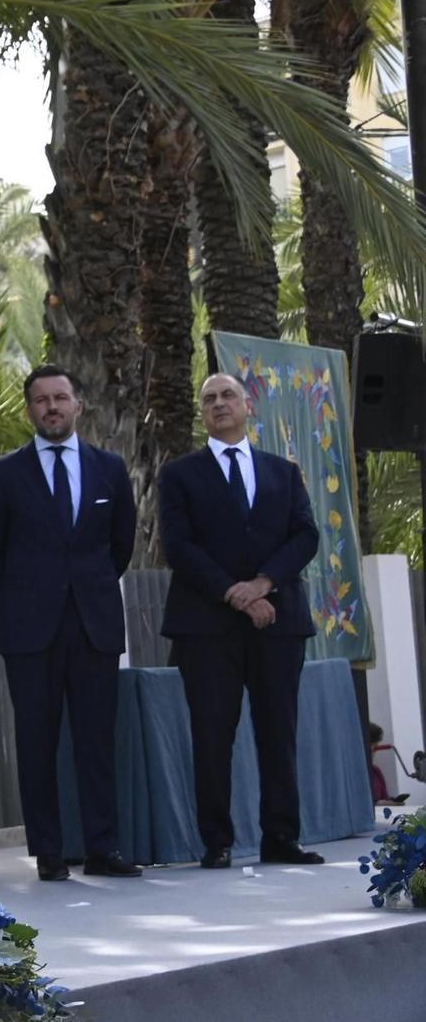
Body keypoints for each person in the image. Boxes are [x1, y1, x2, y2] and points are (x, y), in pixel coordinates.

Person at [0, 366, 140, 882]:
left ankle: (102, 848)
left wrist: (81, 591)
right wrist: (33, 595)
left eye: (61, 397)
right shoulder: (3, 474)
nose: (52, 407)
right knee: (36, 743)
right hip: (30, 631)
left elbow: (121, 546)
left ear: (78, 406)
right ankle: (48, 853)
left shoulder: (110, 469)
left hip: (94, 626)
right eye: (41, 400)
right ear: (30, 410)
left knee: (96, 743)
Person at [158, 372, 322, 868]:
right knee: (212, 735)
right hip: (206, 627)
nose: (219, 403)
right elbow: (179, 546)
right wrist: (236, 593)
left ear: (248, 405)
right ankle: (217, 841)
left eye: (228, 395)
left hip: (278, 622)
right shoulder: (180, 474)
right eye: (208, 398)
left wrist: (263, 584)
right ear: (202, 414)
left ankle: (281, 839)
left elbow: (305, 536)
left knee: (278, 732)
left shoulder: (282, 472)